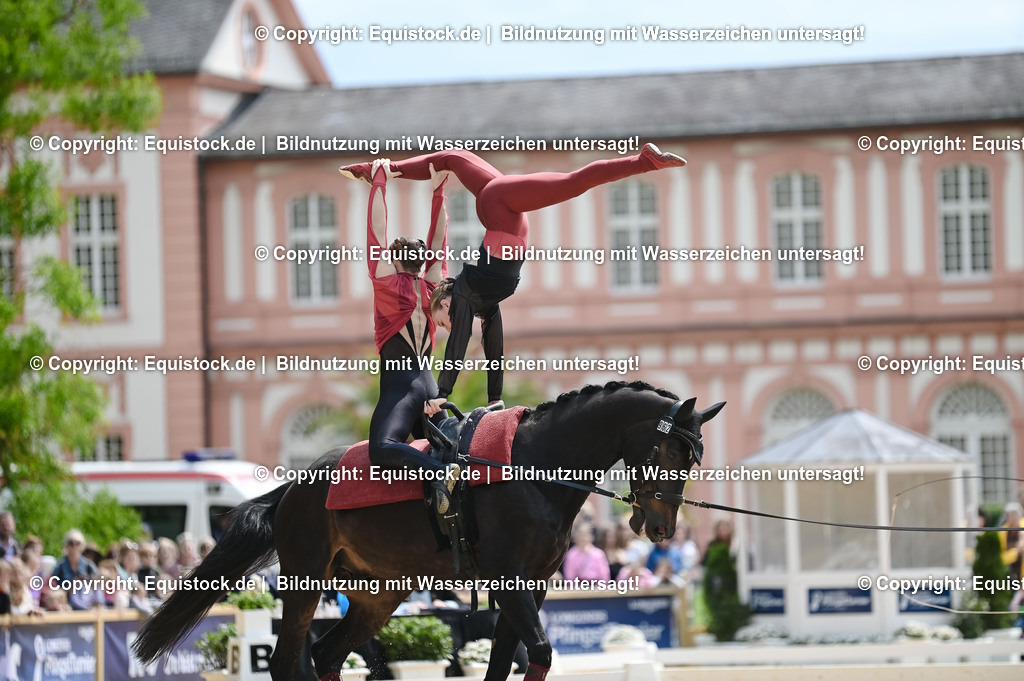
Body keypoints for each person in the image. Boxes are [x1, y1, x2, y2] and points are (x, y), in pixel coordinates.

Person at [341, 144, 686, 410]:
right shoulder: (484, 304)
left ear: (446, 303)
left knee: (572, 182)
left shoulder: (464, 297)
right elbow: (496, 348)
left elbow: (458, 344)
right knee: (451, 157)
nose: (449, 326)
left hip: (499, 208)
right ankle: (381, 169)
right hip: (504, 214)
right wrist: (495, 398)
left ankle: (644, 161)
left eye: (443, 321)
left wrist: (443, 393)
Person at [354, 158, 460, 514]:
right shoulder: (431, 287)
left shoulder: (388, 284)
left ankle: (439, 473)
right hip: (429, 387)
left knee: (382, 449)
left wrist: (379, 181)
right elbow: (440, 241)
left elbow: (376, 229)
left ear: (395, 260)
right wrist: (439, 189)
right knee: (450, 446)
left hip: (401, 388)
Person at [51, 529, 98, 611]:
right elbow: (53, 589)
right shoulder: (59, 566)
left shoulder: (90, 566)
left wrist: (86, 585)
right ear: (65, 545)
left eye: (78, 543)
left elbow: (98, 588)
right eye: (71, 543)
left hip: (88, 609)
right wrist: (70, 588)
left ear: (82, 546)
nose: (74, 547)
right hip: (66, 609)